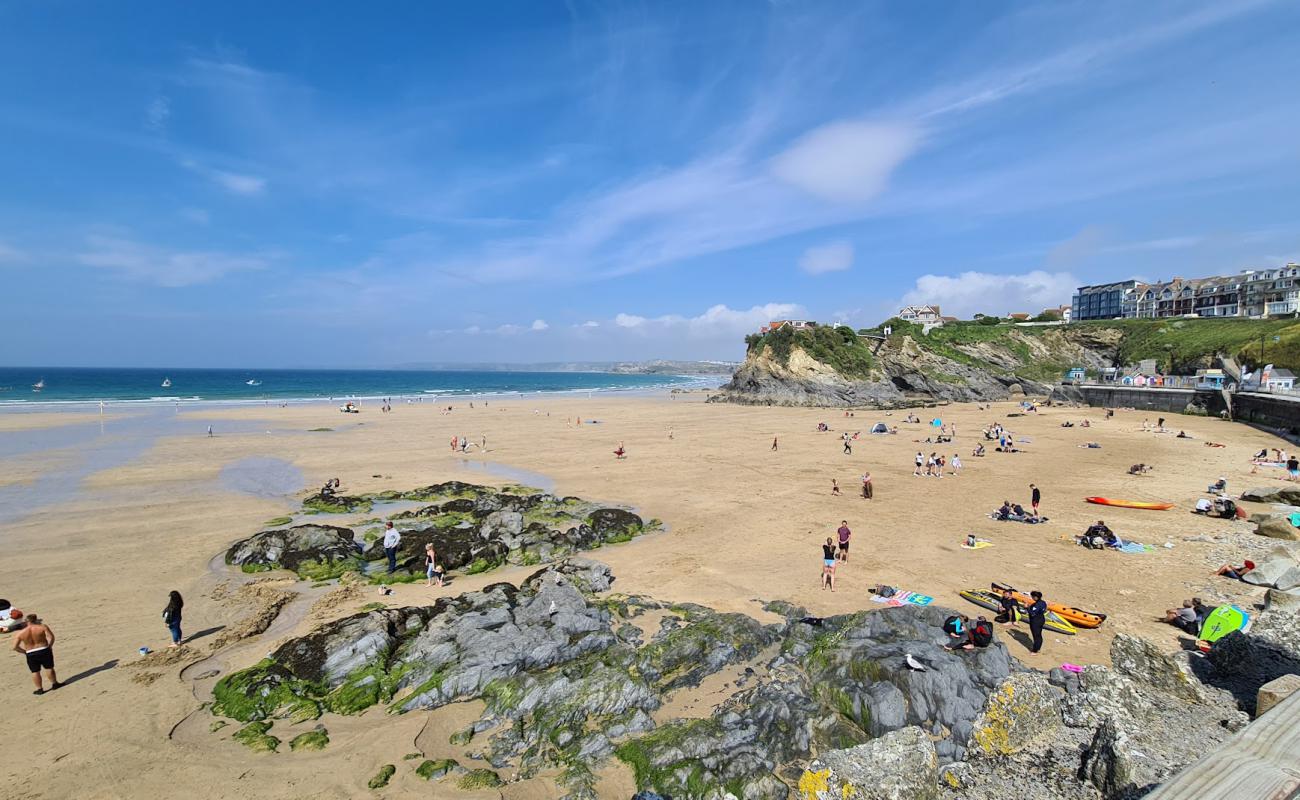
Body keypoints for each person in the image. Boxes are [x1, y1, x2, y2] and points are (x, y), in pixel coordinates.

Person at [13, 613, 59, 695]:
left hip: (30, 653)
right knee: (49, 668)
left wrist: (24, 652)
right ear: (36, 620)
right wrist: (50, 646)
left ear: (26, 621)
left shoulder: (20, 633)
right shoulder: (42, 627)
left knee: (35, 671)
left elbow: (15, 647)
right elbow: (51, 637)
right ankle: (55, 684)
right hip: (44, 649)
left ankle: (39, 689)